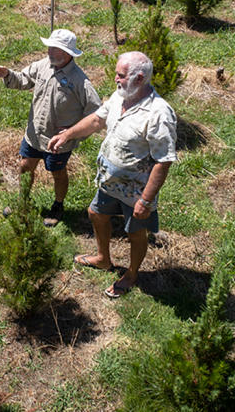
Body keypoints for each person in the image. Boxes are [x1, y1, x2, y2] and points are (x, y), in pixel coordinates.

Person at [47, 51, 177, 298]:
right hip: (110, 181)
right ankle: (103, 258)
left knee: (135, 232)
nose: (115, 79)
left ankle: (131, 274)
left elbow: (163, 161)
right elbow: (97, 121)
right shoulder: (120, 97)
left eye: (120, 75)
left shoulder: (159, 113)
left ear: (139, 78)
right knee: (95, 213)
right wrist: (67, 135)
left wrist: (146, 200)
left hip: (137, 189)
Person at [0, 29, 102, 227]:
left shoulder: (79, 81)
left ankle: (58, 205)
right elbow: (23, 79)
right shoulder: (42, 65)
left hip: (58, 142)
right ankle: (22, 200)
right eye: (49, 46)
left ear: (67, 53)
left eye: (54, 48)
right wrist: (7, 74)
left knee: (57, 173)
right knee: (25, 166)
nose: (49, 51)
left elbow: (96, 114)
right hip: (34, 134)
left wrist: (73, 133)